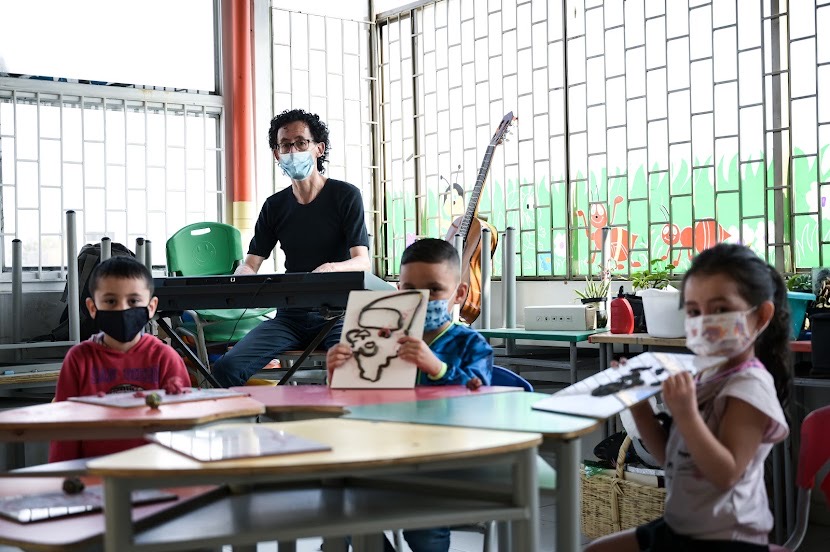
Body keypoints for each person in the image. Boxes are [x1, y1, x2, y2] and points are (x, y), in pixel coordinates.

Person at [585, 243, 791, 552]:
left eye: (720, 310)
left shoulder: (749, 386)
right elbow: (673, 460)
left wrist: (686, 414)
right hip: (681, 527)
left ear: (760, 316)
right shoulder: (703, 376)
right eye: (695, 311)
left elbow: (725, 474)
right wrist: (640, 407)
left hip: (728, 538)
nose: (705, 321)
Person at [326, 238, 493, 552]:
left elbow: (481, 398)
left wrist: (437, 368)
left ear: (459, 294)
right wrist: (338, 375)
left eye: (433, 290)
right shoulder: (380, 338)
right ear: (397, 291)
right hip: (382, 453)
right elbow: (352, 402)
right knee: (341, 512)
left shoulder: (472, 345)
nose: (420, 299)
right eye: (409, 289)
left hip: (442, 463)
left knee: (425, 534)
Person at [211, 108, 371, 387]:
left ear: (319, 148)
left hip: (339, 314)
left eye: (301, 142)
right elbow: (251, 262)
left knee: (354, 370)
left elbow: (362, 261)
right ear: (277, 154)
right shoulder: (274, 206)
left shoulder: (346, 196)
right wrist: (243, 273)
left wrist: (332, 268)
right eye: (285, 145)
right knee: (227, 367)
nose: (292, 150)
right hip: (290, 317)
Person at [49, 256, 190, 462]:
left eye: (133, 301)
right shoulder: (78, 359)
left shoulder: (165, 358)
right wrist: (62, 477)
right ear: (93, 308)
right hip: (93, 472)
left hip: (155, 470)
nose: (122, 309)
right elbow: (65, 429)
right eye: (111, 301)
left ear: (151, 307)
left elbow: (184, 426)